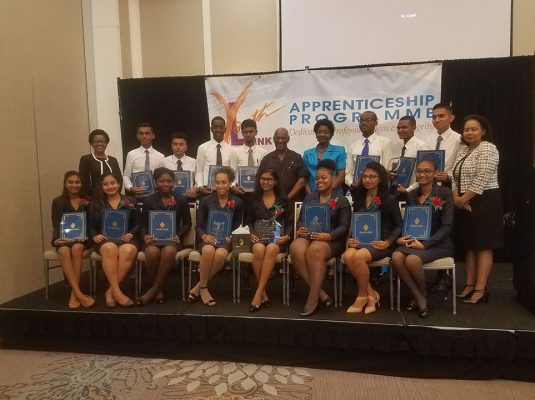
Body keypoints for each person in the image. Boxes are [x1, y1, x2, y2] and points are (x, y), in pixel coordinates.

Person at [391, 159, 454, 318]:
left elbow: (447, 226)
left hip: (438, 243)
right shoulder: (412, 194)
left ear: (435, 173)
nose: (422, 174)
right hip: (415, 242)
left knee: (412, 260)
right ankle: (420, 296)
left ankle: (420, 298)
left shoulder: (445, 193)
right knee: (397, 256)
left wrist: (426, 245)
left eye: (427, 171)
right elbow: (410, 222)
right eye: (419, 171)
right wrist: (401, 239)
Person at [289, 159, 351, 316]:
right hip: (310, 235)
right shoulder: (310, 197)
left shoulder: (341, 200)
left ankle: (313, 298)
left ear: (333, 178)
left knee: (315, 250)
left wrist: (328, 236)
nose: (319, 181)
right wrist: (301, 228)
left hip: (332, 240)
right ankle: (321, 292)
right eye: (317, 178)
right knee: (295, 248)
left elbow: (344, 227)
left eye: (323, 178)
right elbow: (301, 219)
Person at [452, 114, 503, 304]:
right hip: (464, 200)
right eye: (466, 129)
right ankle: (469, 284)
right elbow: (452, 175)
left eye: (474, 129)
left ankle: (481, 289)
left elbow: (482, 177)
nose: (469, 132)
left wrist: (462, 198)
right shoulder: (463, 150)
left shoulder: (488, 148)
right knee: (470, 245)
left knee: (482, 245)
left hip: (484, 201)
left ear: (483, 131)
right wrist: (455, 197)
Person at [343, 162, 402, 315]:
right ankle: (371, 294)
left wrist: (388, 241)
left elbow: (399, 226)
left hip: (381, 243)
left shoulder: (389, 200)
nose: (368, 180)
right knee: (348, 254)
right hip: (362, 242)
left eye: (372, 177)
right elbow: (356, 221)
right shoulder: (359, 198)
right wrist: (352, 238)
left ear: (380, 179)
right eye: (365, 176)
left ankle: (361, 295)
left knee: (358, 257)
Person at [188, 167, 244, 306]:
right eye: (217, 182)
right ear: (213, 183)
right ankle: (204, 289)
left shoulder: (238, 202)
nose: (220, 186)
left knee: (220, 254)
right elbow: (198, 225)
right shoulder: (206, 201)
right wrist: (204, 236)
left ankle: (198, 287)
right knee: (208, 250)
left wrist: (232, 236)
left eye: (224, 182)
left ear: (231, 182)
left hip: (226, 240)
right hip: (207, 238)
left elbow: (237, 226)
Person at [137, 167, 192, 306]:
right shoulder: (148, 200)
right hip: (153, 240)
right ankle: (158, 289)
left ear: (173, 182)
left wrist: (178, 235)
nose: (166, 184)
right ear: (156, 182)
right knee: (152, 252)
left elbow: (187, 223)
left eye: (169, 181)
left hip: (172, 239)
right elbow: (142, 224)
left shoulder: (181, 199)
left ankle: (153, 290)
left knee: (168, 251)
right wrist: (145, 236)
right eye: (162, 181)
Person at [89, 172, 141, 307]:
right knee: (110, 247)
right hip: (105, 240)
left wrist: (130, 234)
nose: (110, 186)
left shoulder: (130, 201)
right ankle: (117, 292)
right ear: (101, 186)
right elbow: (91, 226)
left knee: (128, 250)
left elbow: (138, 223)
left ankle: (111, 291)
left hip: (127, 239)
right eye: (105, 184)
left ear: (118, 184)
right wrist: (95, 235)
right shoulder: (96, 203)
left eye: (113, 183)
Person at [246, 167, 293, 312]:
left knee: (271, 248)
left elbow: (290, 222)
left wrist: (287, 235)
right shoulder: (253, 199)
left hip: (277, 240)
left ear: (276, 182)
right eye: (263, 179)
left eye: (269, 179)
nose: (265, 182)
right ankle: (263, 293)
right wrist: (251, 233)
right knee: (259, 249)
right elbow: (249, 221)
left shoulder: (284, 200)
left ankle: (258, 293)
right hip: (258, 238)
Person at [429, 103, 461, 292]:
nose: (437, 120)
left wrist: (448, 176)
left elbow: (462, 167)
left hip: (447, 190)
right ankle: (435, 274)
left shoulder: (458, 139)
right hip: (429, 190)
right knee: (431, 228)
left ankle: (445, 276)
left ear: (451, 118)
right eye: (434, 117)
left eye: (441, 116)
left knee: (445, 229)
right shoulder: (428, 139)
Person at [51, 171, 95, 309]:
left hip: (83, 240)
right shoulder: (57, 202)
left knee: (77, 248)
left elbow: (92, 224)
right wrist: (56, 240)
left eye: (77, 182)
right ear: (65, 183)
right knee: (63, 251)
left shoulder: (87, 201)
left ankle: (74, 293)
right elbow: (56, 224)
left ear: (81, 184)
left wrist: (86, 236)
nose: (74, 185)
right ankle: (77, 293)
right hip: (64, 239)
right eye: (70, 182)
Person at [257, 127, 307, 202]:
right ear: (274, 139)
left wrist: (288, 198)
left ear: (288, 139)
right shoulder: (266, 159)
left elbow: (302, 180)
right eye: (278, 138)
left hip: (292, 201)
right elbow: (259, 179)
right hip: (271, 202)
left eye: (283, 138)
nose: (280, 141)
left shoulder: (297, 157)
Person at [346, 111, 392, 190]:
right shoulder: (352, 146)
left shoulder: (385, 143)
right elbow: (348, 172)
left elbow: (387, 169)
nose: (364, 123)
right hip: (357, 190)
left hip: (378, 189)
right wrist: (351, 183)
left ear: (376, 123)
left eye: (368, 120)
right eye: (361, 120)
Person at [303, 119, 346, 194]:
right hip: (313, 194)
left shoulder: (339, 151)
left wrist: (327, 193)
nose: (322, 134)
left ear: (331, 135)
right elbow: (305, 178)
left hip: (333, 194)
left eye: (326, 132)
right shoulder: (307, 154)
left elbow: (341, 175)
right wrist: (311, 196)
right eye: (319, 132)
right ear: (316, 134)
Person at [123, 122, 165, 199]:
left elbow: (163, 177)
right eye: (141, 133)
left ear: (153, 136)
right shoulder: (131, 154)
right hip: (136, 196)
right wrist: (130, 187)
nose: (144, 136)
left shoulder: (161, 156)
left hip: (155, 196)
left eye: (147, 133)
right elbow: (126, 175)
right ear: (137, 136)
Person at [79, 129, 122, 199]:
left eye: (103, 142)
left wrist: (115, 195)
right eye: (96, 142)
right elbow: (84, 182)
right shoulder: (86, 159)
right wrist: (96, 198)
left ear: (106, 143)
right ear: (91, 143)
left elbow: (119, 179)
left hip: (113, 198)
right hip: (93, 199)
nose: (100, 144)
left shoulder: (113, 160)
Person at [390, 116, 427, 196]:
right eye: (398, 128)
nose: (400, 130)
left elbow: (424, 174)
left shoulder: (421, 146)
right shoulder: (401, 148)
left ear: (414, 127)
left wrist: (408, 190)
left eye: (404, 127)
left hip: (415, 192)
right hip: (399, 190)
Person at [195, 116, 232, 195]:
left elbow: (233, 172)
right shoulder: (202, 148)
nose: (218, 130)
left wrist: (232, 185)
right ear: (211, 129)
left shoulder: (231, 150)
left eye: (221, 127)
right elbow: (199, 170)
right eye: (215, 127)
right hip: (207, 189)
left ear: (225, 129)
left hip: (225, 190)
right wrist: (200, 187)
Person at [230, 118, 268, 194]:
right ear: (242, 133)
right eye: (245, 132)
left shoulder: (264, 153)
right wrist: (233, 186)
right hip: (240, 191)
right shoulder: (235, 152)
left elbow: (265, 173)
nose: (248, 134)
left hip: (258, 191)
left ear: (256, 132)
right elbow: (232, 172)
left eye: (251, 131)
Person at [163, 131, 198, 199]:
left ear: (186, 147)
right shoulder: (164, 161)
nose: (178, 147)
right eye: (175, 144)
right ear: (172, 146)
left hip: (188, 198)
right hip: (169, 198)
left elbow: (198, 178)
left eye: (181, 144)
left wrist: (196, 188)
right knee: (171, 209)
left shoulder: (194, 162)